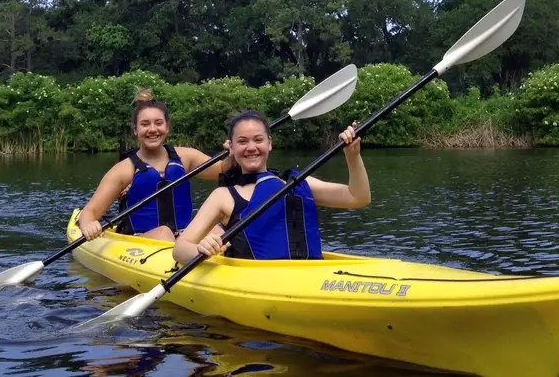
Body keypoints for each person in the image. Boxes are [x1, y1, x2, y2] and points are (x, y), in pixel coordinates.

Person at [172, 110, 370, 263]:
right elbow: (180, 249)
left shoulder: (298, 182)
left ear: (269, 144)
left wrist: (352, 156)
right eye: (242, 141)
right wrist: (201, 249)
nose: (251, 147)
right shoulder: (224, 196)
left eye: (258, 140)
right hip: (259, 282)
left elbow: (358, 198)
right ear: (231, 148)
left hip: (311, 275)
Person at [76, 88, 232, 242]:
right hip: (140, 241)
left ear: (167, 127)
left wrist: (234, 153)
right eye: (145, 124)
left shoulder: (186, 157)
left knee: (216, 230)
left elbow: (223, 170)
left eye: (159, 123)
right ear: (135, 130)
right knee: (164, 233)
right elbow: (89, 212)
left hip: (183, 236)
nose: (152, 129)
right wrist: (89, 225)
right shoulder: (123, 170)